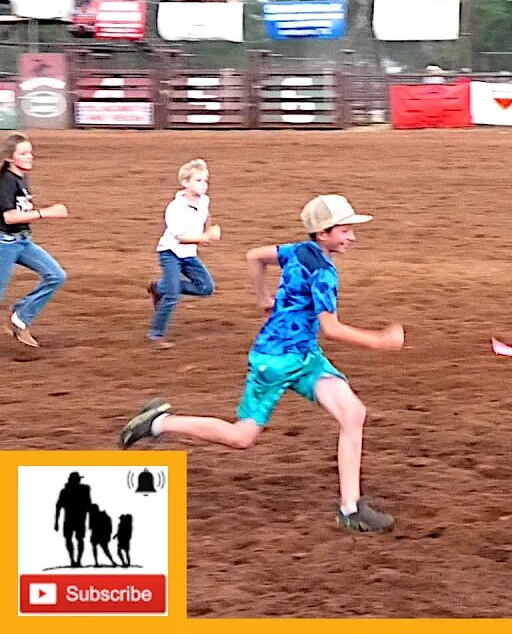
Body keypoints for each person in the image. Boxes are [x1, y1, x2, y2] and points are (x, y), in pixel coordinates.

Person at [120, 194, 405, 533]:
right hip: (278, 361)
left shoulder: (297, 251)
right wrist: (380, 341)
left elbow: (254, 257)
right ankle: (158, 423)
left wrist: (262, 299)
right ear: (323, 234)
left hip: (301, 355)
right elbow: (332, 328)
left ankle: (350, 508)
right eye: (344, 230)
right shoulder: (325, 273)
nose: (351, 237)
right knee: (242, 436)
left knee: (353, 413)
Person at [1, 132, 69, 348]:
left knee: (56, 275)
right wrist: (46, 213)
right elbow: (9, 217)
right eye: (24, 153)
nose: (30, 157)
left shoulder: (21, 178)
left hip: (21, 241)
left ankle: (20, 318)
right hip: (4, 243)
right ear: (11, 158)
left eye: (30, 152)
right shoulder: (6, 182)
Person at [147, 158, 220, 348]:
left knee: (206, 288)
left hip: (188, 253)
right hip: (170, 252)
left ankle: (160, 288)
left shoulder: (204, 200)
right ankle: (156, 334)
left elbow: (206, 214)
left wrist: (209, 228)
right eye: (198, 180)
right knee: (173, 296)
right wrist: (206, 237)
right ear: (185, 183)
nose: (203, 185)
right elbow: (180, 237)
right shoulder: (175, 208)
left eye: (205, 180)